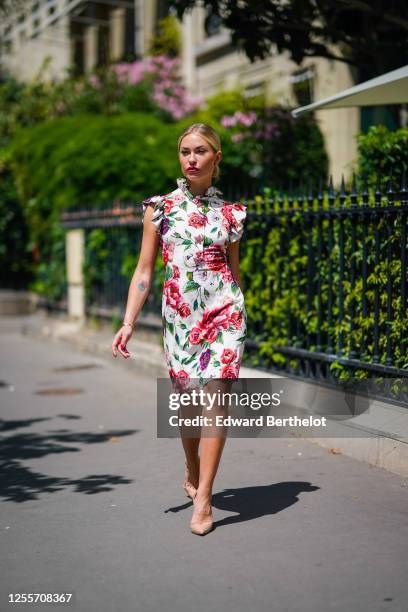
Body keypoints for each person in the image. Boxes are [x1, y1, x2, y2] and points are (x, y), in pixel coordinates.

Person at [111, 123, 247, 535]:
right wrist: (128, 320)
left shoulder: (231, 214)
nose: (191, 158)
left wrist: (240, 311)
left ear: (216, 158)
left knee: (216, 401)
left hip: (224, 314)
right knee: (189, 407)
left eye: (200, 151)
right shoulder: (160, 208)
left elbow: (234, 272)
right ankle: (191, 464)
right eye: (185, 151)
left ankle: (204, 497)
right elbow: (144, 269)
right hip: (181, 320)